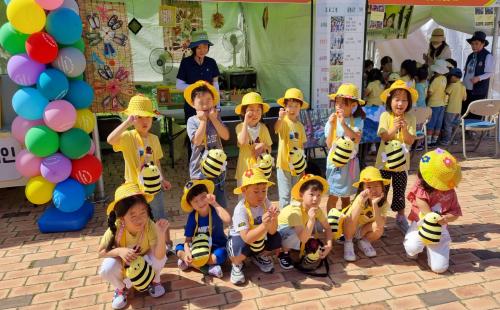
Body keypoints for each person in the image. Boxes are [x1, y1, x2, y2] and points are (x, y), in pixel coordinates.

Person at [107, 94, 173, 251]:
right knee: (137, 217)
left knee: (159, 214)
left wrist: (162, 179)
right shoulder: (128, 137)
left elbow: (156, 162)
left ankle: (167, 244)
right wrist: (127, 122)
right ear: (132, 118)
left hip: (153, 185)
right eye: (140, 117)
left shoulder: (154, 139)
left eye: (148, 118)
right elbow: (110, 139)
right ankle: (142, 245)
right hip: (134, 188)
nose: (145, 121)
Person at [99, 183, 168, 309]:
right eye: (133, 215)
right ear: (121, 217)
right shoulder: (116, 228)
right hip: (126, 266)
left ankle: (154, 281)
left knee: (162, 252)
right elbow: (101, 252)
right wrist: (120, 251)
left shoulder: (149, 225)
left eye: (143, 213)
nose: (140, 219)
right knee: (106, 268)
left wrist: (161, 234)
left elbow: (159, 256)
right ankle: (121, 289)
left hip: (146, 262)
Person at [404, 149, 462, 273]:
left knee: (439, 268)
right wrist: (431, 217)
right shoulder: (421, 184)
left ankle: (435, 249)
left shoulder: (450, 191)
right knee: (412, 248)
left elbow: (455, 212)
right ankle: (414, 245)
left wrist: (446, 218)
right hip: (420, 225)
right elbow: (420, 200)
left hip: (440, 230)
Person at [227, 168, 282, 284]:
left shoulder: (265, 201)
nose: (261, 195)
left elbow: (272, 232)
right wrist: (264, 225)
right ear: (244, 191)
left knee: (276, 238)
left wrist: (274, 218)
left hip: (258, 237)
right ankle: (236, 264)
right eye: (256, 191)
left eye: (264, 190)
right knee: (238, 248)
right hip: (242, 239)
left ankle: (257, 256)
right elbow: (246, 238)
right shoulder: (240, 210)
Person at [376, 80, 417, 233]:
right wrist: (394, 126)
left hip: (401, 165)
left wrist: (404, 128)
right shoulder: (385, 116)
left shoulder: (411, 117)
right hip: (384, 164)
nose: (400, 103)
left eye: (404, 100)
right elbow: (385, 136)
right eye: (397, 99)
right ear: (389, 100)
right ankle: (380, 219)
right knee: (381, 193)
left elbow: (410, 140)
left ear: (409, 102)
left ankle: (400, 217)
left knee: (400, 191)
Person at [176, 30, 221, 159]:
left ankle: (212, 162)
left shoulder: (211, 62)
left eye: (205, 47)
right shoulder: (186, 63)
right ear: (194, 48)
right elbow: (179, 85)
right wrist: (197, 87)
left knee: (211, 135)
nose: (202, 50)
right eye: (199, 47)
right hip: (192, 107)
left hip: (210, 106)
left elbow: (215, 84)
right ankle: (194, 165)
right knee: (195, 136)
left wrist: (217, 105)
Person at [185, 80, 230, 208]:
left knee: (218, 203)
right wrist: (203, 121)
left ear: (214, 101)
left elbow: (225, 136)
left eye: (208, 101)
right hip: (199, 173)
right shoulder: (192, 121)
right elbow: (197, 141)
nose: (205, 105)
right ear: (193, 104)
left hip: (217, 169)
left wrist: (214, 119)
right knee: (202, 206)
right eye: (201, 102)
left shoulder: (216, 117)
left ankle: (218, 225)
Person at [176, 180, 230, 278]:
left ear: (208, 195)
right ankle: (207, 268)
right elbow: (188, 240)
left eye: (203, 197)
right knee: (179, 248)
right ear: (190, 204)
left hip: (216, 246)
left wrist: (214, 203)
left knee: (223, 254)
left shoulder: (215, 210)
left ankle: (192, 264)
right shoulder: (193, 216)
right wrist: (187, 253)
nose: (200, 203)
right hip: (199, 247)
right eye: (195, 201)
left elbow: (228, 219)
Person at [277, 174, 333, 270]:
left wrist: (329, 246)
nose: (315, 199)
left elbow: (327, 227)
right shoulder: (295, 210)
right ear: (301, 195)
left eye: (318, 195)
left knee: (321, 226)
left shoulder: (316, 209)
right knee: (297, 234)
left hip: (300, 231)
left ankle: (303, 247)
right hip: (283, 234)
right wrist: (311, 219)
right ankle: (284, 253)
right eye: (311, 194)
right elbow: (303, 238)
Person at [325, 84, 365, 211]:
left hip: (350, 165)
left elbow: (356, 139)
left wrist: (343, 124)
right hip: (334, 164)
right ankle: (331, 225)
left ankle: (345, 223)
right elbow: (329, 144)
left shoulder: (358, 121)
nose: (339, 106)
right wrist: (332, 125)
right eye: (337, 103)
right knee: (332, 196)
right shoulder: (332, 120)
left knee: (346, 197)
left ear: (353, 105)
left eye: (343, 103)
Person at [342, 167, 390, 262]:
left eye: (376, 186)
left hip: (364, 230)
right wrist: (361, 200)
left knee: (379, 228)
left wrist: (375, 204)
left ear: (382, 187)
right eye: (369, 187)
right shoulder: (360, 198)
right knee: (349, 218)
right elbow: (350, 218)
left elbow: (380, 224)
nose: (373, 190)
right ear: (362, 189)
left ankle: (364, 241)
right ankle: (348, 243)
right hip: (350, 228)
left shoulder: (383, 203)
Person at [274, 88, 308, 209]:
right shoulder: (283, 122)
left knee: (295, 194)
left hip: (297, 167)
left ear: (300, 108)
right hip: (283, 166)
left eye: (295, 106)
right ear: (285, 107)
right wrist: (280, 118)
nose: (292, 109)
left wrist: (303, 167)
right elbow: (276, 129)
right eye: (289, 106)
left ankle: (294, 220)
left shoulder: (300, 126)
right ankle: (284, 223)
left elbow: (301, 147)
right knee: (285, 196)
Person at [234, 92, 272, 186]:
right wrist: (246, 122)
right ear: (244, 112)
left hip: (260, 170)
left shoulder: (263, 128)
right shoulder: (240, 127)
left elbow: (269, 149)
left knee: (260, 196)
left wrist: (263, 146)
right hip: (244, 170)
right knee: (243, 198)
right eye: (251, 110)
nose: (255, 114)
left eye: (258, 110)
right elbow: (242, 142)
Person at [462, 31, 495, 118]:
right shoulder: (470, 56)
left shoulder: (487, 56)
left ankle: (473, 131)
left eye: (477, 44)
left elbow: (490, 72)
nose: (474, 46)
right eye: (472, 44)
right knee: (465, 111)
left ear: (483, 43)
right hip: (467, 88)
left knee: (475, 112)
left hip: (478, 90)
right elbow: (466, 70)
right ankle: (465, 130)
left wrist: (479, 78)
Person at [441, 68, 466, 146]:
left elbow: (446, 94)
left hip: (450, 109)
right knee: (455, 126)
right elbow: (464, 98)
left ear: (454, 77)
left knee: (448, 125)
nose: (449, 78)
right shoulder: (463, 86)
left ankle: (446, 140)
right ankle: (454, 140)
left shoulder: (451, 85)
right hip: (458, 110)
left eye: (450, 76)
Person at [427, 59, 449, 147]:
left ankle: (428, 141)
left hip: (433, 104)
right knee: (438, 123)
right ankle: (434, 141)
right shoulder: (444, 78)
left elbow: (430, 92)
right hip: (442, 104)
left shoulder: (436, 80)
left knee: (431, 123)